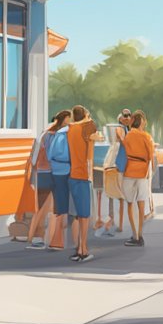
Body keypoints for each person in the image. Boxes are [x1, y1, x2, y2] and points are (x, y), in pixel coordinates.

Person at [25, 112, 63, 249]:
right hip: (49, 173)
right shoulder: (53, 136)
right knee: (48, 208)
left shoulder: (44, 134)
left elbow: (34, 158)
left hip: (41, 173)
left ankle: (37, 238)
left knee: (43, 208)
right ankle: (42, 238)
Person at [66, 105, 98, 262]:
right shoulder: (87, 127)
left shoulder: (71, 129)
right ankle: (83, 249)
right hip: (84, 176)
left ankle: (78, 248)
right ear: (85, 115)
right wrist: (89, 117)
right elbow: (93, 126)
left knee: (78, 216)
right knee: (84, 216)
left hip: (73, 175)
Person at [121, 111, 155, 246]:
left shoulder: (128, 136)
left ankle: (135, 235)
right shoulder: (146, 136)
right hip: (142, 172)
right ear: (142, 122)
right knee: (141, 204)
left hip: (129, 171)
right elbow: (150, 156)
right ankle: (140, 234)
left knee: (130, 203)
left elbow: (124, 151)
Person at [45, 109, 74, 252]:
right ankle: (57, 240)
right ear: (66, 119)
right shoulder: (63, 134)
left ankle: (56, 239)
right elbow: (59, 154)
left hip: (55, 171)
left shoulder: (55, 133)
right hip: (63, 171)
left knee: (59, 205)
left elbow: (50, 155)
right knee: (62, 206)